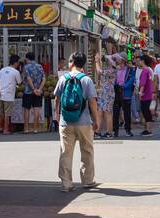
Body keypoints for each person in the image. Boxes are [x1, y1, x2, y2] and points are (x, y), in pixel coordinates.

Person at [54, 51, 101, 192]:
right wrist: (96, 119)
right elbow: (92, 101)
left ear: (72, 62)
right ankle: (87, 180)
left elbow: (57, 98)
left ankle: (66, 183)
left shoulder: (63, 78)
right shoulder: (86, 80)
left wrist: (57, 114)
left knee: (65, 152)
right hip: (84, 122)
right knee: (87, 151)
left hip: (65, 121)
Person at [0, 54, 21, 135]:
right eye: (18, 62)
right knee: (7, 114)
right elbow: (19, 82)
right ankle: (5, 130)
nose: (19, 64)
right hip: (9, 95)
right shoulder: (16, 72)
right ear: (15, 62)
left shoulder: (3, 69)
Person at [95, 43, 116, 139]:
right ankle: (98, 131)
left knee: (107, 113)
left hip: (108, 93)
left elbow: (99, 71)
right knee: (100, 111)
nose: (107, 61)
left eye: (109, 60)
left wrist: (96, 61)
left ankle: (109, 132)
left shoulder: (112, 70)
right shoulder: (109, 69)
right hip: (103, 92)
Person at [21, 51, 46, 133]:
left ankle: (26, 129)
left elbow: (28, 78)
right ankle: (35, 129)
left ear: (27, 58)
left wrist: (33, 89)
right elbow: (44, 79)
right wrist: (39, 89)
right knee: (36, 109)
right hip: (38, 91)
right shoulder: (40, 66)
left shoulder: (26, 67)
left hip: (28, 91)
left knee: (27, 109)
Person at [113, 54, 134, 137]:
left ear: (123, 60)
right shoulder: (116, 69)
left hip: (125, 93)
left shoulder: (130, 70)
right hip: (117, 92)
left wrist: (123, 86)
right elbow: (114, 79)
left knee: (127, 113)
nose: (118, 60)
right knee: (115, 112)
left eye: (119, 58)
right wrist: (115, 84)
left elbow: (131, 80)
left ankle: (128, 130)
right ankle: (115, 130)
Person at [136, 54, 156, 136]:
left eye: (140, 60)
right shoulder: (149, 70)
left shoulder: (144, 71)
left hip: (145, 95)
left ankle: (148, 130)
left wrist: (140, 93)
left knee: (146, 112)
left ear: (143, 61)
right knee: (148, 112)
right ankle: (148, 129)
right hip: (150, 93)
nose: (138, 62)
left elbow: (142, 84)